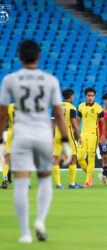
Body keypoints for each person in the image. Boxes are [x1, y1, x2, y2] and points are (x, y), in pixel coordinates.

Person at [0, 40, 71, 243]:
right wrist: (65, 140)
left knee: (21, 183)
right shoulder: (49, 80)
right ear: (39, 56)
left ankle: (25, 233)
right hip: (42, 135)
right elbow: (58, 113)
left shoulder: (10, 79)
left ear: (20, 57)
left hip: (20, 135)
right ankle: (40, 220)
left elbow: (3, 114)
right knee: (44, 179)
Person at [52, 88, 83, 189]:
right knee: (73, 157)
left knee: (56, 159)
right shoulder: (72, 108)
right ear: (71, 96)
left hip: (57, 134)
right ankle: (72, 183)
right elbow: (74, 124)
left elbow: (52, 123)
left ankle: (58, 184)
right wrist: (79, 137)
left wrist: (54, 134)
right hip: (68, 135)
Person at [77, 88, 106, 187]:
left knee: (91, 158)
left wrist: (103, 135)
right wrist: (74, 131)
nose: (90, 97)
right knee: (80, 157)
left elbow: (103, 122)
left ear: (94, 96)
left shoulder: (98, 107)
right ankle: (90, 174)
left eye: (92, 96)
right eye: (89, 95)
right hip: (83, 134)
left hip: (94, 134)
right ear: (85, 96)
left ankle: (88, 180)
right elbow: (78, 121)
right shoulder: (81, 106)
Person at [1, 103, 14, 189]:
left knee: (7, 158)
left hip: (11, 132)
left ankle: (5, 178)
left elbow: (4, 120)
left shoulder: (10, 107)